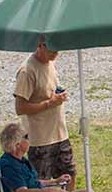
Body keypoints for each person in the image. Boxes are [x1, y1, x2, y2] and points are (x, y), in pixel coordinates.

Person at [14, 38, 77, 184]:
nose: (56, 54)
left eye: (58, 50)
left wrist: (58, 97)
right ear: (40, 46)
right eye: (52, 51)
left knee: (70, 174)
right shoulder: (27, 71)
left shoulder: (50, 63)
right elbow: (20, 108)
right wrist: (49, 103)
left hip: (60, 134)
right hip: (39, 139)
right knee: (41, 182)